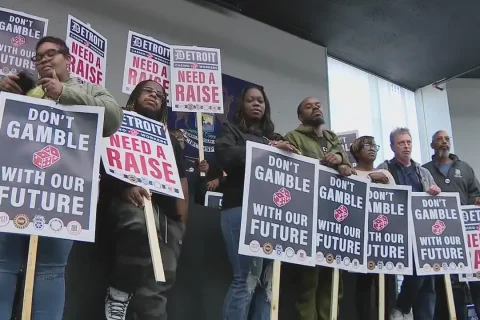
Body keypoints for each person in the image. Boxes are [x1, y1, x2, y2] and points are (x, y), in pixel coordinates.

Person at [0, 36, 122, 320]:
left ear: (67, 59)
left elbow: (113, 118)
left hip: (63, 191)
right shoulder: (23, 91)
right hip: (18, 185)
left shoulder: (88, 89)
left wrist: (63, 92)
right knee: (4, 261)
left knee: (51, 267)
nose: (43, 59)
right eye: (38, 57)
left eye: (50, 54)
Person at [102, 80, 188, 320]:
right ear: (135, 96)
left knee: (163, 276)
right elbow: (103, 161)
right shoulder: (116, 122)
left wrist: (182, 224)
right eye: (148, 91)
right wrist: (123, 189)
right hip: (129, 201)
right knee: (137, 226)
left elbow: (182, 183)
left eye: (159, 95)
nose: (154, 96)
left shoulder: (169, 140)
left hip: (166, 215)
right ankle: (118, 294)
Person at [215, 86, 299, 320]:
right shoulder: (230, 131)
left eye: (260, 100)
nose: (256, 104)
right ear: (242, 105)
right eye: (250, 100)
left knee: (267, 284)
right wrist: (269, 149)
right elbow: (226, 156)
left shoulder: (277, 138)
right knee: (246, 279)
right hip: (240, 208)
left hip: (273, 216)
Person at [280, 97, 354, 320]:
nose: (316, 107)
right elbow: (290, 167)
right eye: (309, 106)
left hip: (335, 219)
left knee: (334, 282)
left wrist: (341, 159)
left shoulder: (333, 140)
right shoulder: (293, 137)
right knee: (308, 282)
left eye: (318, 104)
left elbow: (349, 167)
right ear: (301, 116)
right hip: (309, 218)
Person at [376, 127, 441, 320]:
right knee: (413, 271)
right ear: (392, 146)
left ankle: (411, 311)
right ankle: (402, 306)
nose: (406, 146)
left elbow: (433, 196)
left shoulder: (422, 171)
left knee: (427, 278)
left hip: (421, 229)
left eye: (408, 142)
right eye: (401, 143)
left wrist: (435, 191)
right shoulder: (385, 168)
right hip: (396, 229)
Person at [423, 130, 480, 320]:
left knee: (475, 282)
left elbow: (475, 194)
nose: (444, 142)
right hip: (441, 239)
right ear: (432, 145)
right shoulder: (425, 170)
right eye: (439, 139)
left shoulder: (464, 168)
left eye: (447, 139)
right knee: (447, 287)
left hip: (467, 236)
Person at [350, 136, 397, 320]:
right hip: (361, 240)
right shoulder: (352, 173)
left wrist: (385, 183)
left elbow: (396, 204)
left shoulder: (387, 174)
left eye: (374, 146)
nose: (371, 149)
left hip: (383, 238)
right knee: (362, 286)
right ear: (356, 151)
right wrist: (369, 180)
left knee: (385, 286)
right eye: (366, 146)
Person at [170, 129, 223, 205]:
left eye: (181, 138)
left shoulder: (193, 166)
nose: (179, 141)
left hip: (186, 206)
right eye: (176, 138)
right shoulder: (161, 161)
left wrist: (203, 175)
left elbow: (200, 194)